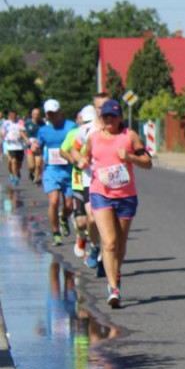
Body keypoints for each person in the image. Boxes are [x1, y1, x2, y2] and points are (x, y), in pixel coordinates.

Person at [80, 99, 152, 308]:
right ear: (101, 119)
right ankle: (113, 289)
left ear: (120, 117)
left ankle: (115, 271)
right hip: (100, 193)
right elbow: (82, 157)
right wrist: (82, 162)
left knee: (120, 243)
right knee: (109, 242)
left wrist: (130, 157)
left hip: (126, 196)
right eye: (105, 116)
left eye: (113, 116)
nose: (109, 120)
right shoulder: (93, 138)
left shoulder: (129, 136)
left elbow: (147, 163)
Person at [37, 99, 77, 245]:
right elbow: (39, 148)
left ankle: (64, 218)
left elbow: (79, 144)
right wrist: (36, 152)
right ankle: (55, 233)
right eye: (49, 114)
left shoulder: (71, 127)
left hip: (68, 170)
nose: (52, 116)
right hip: (51, 170)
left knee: (69, 205)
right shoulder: (43, 130)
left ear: (60, 112)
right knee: (53, 201)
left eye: (54, 113)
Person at [61, 105, 99, 260]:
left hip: (96, 180)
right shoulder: (74, 134)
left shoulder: (100, 132)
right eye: (85, 122)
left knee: (94, 217)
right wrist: (74, 160)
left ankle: (95, 248)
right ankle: (81, 236)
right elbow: (63, 150)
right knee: (82, 221)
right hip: (78, 179)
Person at [2, 109, 27, 185]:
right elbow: (2, 133)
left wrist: (24, 138)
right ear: (9, 116)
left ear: (16, 115)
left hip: (19, 146)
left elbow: (23, 132)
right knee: (12, 161)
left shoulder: (20, 122)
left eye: (14, 115)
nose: (12, 117)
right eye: (11, 115)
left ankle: (16, 172)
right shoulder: (6, 123)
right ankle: (14, 176)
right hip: (9, 145)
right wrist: (4, 136)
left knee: (18, 163)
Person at [23, 107, 43, 184]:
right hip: (29, 146)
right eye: (34, 114)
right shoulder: (27, 122)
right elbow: (21, 131)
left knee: (38, 164)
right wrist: (26, 139)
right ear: (32, 114)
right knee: (32, 166)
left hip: (38, 146)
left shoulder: (42, 123)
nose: (36, 116)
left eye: (37, 114)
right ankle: (31, 172)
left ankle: (36, 178)